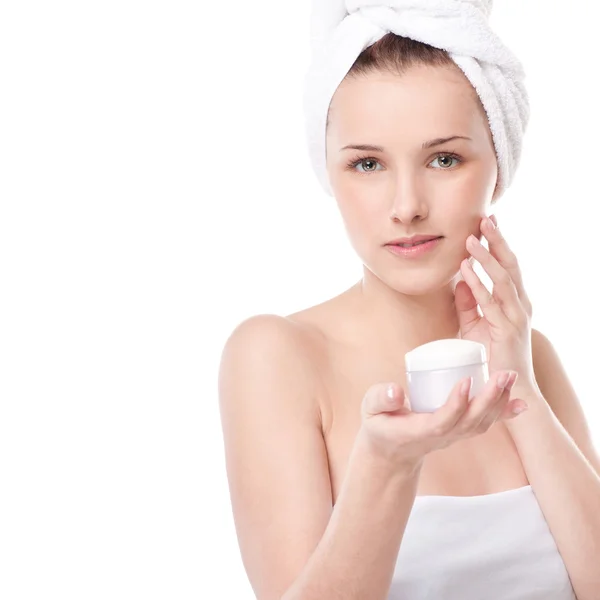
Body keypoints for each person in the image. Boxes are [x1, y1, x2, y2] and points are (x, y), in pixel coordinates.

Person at [218, 6, 600, 600]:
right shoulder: (276, 356)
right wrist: (386, 466)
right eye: (367, 164)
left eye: (443, 159)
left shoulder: (531, 357)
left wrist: (518, 381)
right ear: (330, 172)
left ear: (497, 163)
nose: (406, 206)